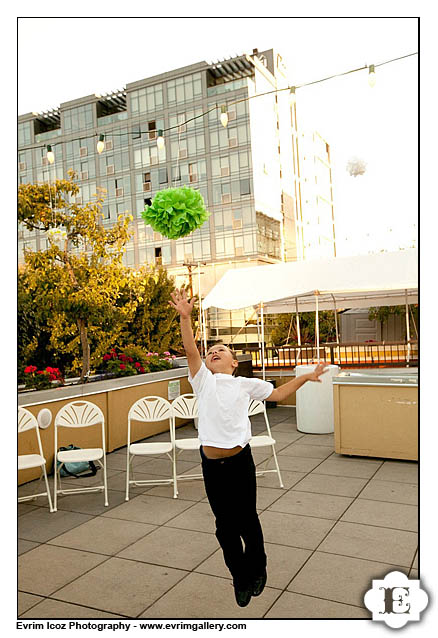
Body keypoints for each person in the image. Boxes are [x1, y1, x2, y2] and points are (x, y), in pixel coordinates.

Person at [169, 288, 329, 607]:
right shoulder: (203, 381)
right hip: (213, 466)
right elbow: (190, 352)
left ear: (233, 363)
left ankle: (258, 568)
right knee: (224, 528)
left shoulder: (244, 384)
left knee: (247, 521)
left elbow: (279, 395)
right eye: (211, 349)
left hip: (241, 461)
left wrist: (307, 378)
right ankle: (240, 576)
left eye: (221, 350)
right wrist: (186, 318)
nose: (214, 352)